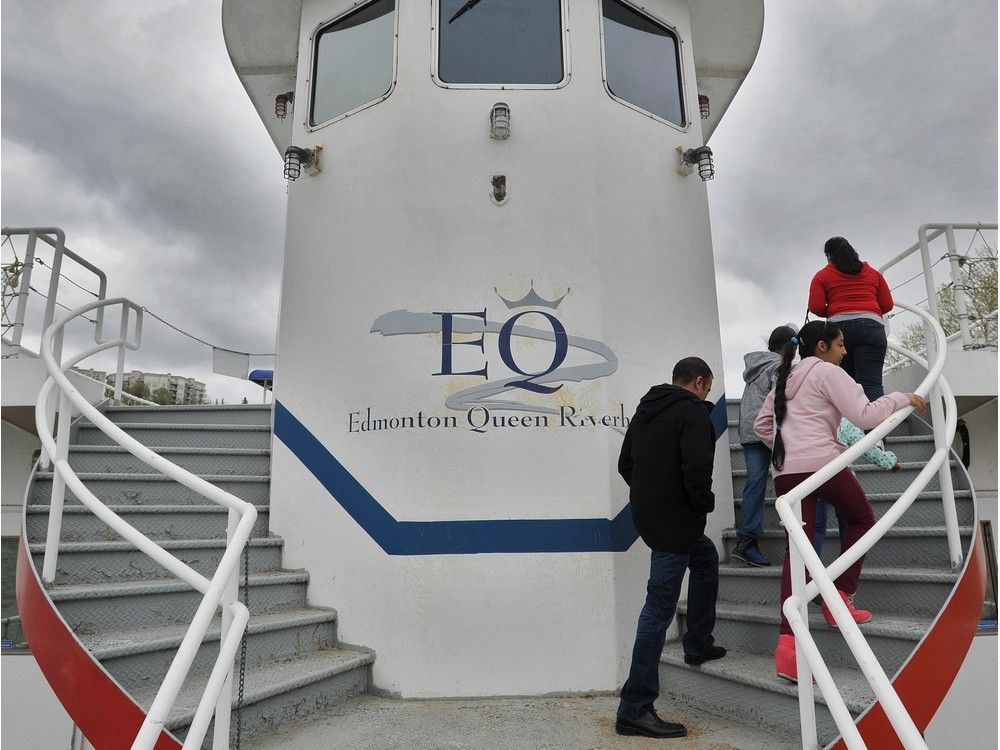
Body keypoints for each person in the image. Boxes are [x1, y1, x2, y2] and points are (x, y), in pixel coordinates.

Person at [753, 321, 924, 682]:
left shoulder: (786, 377)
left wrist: (789, 451)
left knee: (797, 554)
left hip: (786, 473)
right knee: (862, 518)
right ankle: (839, 598)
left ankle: (788, 649)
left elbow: (761, 427)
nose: (845, 351)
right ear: (822, 347)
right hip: (823, 465)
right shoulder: (827, 372)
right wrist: (902, 398)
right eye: (841, 344)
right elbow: (865, 415)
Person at [616, 357, 725, 738]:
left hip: (651, 517)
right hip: (677, 522)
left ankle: (697, 642)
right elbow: (698, 469)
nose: (706, 393)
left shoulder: (647, 409)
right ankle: (635, 708)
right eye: (708, 387)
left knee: (707, 559)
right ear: (698, 381)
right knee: (659, 608)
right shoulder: (693, 412)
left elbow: (625, 464)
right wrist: (701, 503)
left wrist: (652, 493)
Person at [734, 325, 797, 567]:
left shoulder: (754, 367)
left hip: (749, 431)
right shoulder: (778, 366)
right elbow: (781, 397)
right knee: (790, 478)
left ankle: (746, 541)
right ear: (788, 346)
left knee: (755, 482)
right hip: (769, 428)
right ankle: (796, 530)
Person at [808, 236, 894, 401]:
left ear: (829, 256)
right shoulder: (873, 274)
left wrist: (836, 310)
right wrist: (870, 311)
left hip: (838, 331)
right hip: (871, 327)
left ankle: (851, 425)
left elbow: (816, 306)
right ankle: (877, 426)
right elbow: (887, 304)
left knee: (845, 385)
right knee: (872, 385)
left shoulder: (822, 276)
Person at [813, 418, 902, 555]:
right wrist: (889, 462)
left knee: (815, 525)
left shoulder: (806, 419)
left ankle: (809, 572)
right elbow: (865, 446)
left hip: (812, 476)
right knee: (850, 521)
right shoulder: (841, 421)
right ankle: (846, 566)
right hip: (841, 478)